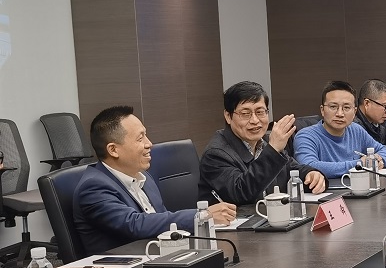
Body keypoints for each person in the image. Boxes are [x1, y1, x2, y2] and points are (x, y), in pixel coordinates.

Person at [74, 106, 236, 254]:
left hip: (160, 257)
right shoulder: (93, 187)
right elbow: (135, 225)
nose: (149, 144)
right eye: (140, 138)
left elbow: (160, 222)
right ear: (113, 150)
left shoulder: (144, 177)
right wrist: (201, 216)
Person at [199, 81, 326, 209]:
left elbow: (292, 170)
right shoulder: (215, 154)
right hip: (237, 221)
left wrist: (312, 174)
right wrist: (273, 150)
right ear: (228, 116)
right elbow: (242, 193)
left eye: (260, 112)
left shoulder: (264, 142)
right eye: (245, 114)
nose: (255, 120)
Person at [293, 80, 386, 178]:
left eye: (346, 108)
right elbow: (309, 167)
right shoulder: (305, 136)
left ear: (354, 112)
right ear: (322, 110)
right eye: (333, 107)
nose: (340, 114)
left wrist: (380, 160)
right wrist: (359, 164)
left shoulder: (356, 130)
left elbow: (383, 149)